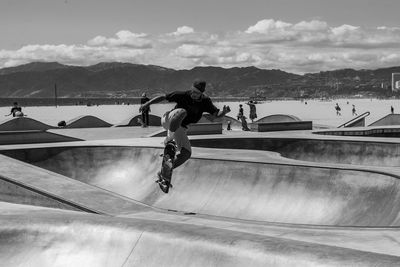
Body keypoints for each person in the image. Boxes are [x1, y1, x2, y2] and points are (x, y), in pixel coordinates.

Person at [139, 79, 231, 175]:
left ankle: (165, 171)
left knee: (186, 153)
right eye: (193, 91)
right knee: (182, 112)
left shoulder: (205, 102)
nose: (193, 94)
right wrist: (147, 104)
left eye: (197, 93)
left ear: (201, 93)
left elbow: (216, 114)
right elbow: (163, 97)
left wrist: (224, 112)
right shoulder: (183, 95)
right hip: (169, 119)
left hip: (181, 128)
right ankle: (169, 139)